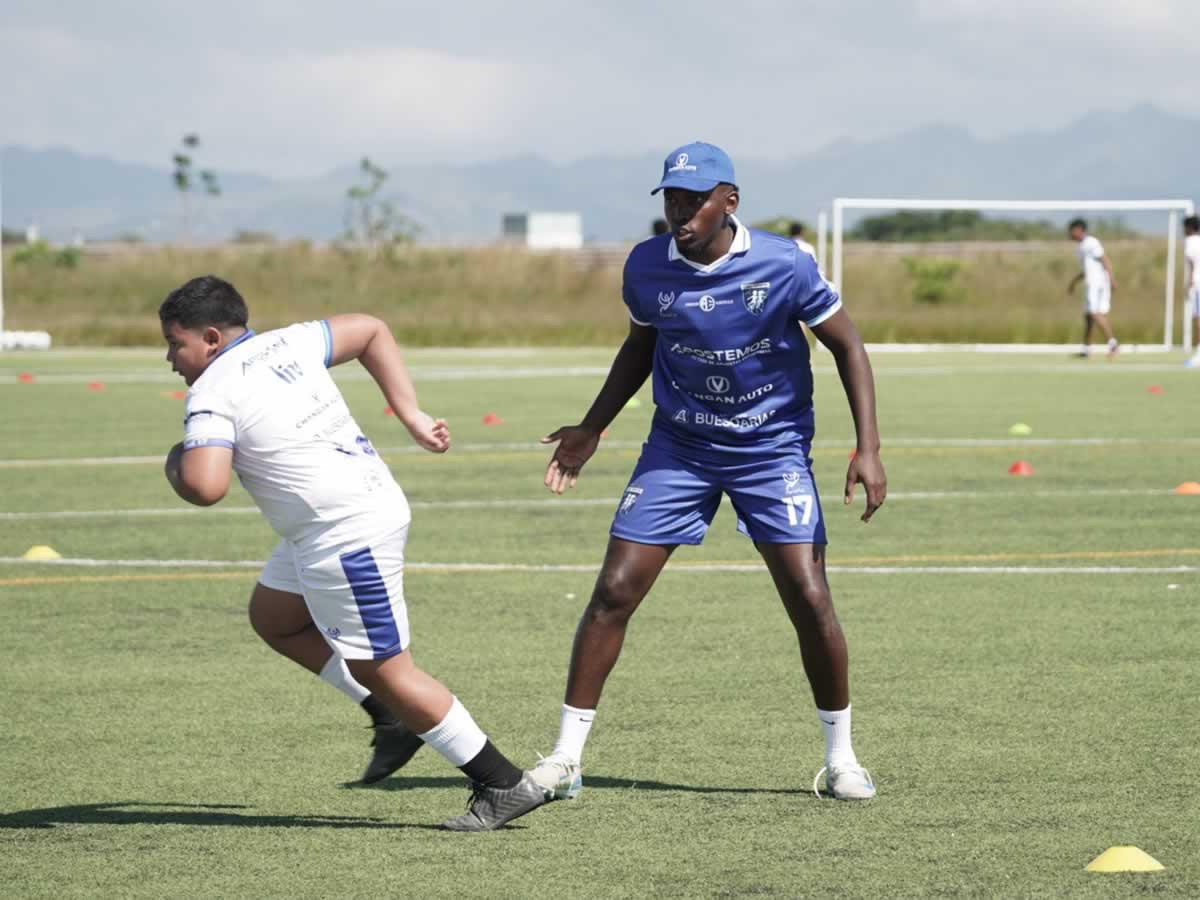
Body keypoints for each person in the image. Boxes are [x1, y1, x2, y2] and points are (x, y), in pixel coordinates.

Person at [533, 142, 887, 802]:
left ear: (729, 202)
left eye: (694, 201)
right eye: (671, 199)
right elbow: (640, 347)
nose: (680, 213)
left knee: (809, 599)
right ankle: (564, 758)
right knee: (614, 589)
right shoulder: (644, 266)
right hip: (680, 450)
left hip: (771, 450)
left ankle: (842, 760)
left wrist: (867, 447)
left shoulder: (785, 262)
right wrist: (592, 426)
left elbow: (848, 344)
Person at [159, 276, 551, 831]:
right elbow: (370, 330)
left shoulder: (211, 392)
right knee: (275, 618)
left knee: (387, 669)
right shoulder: (286, 341)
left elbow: (205, 486)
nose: (171, 359)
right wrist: (411, 414)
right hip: (339, 518)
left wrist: (176, 461)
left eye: (176, 344)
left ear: (213, 338)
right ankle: (386, 713)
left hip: (344, 534)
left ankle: (502, 783)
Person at [1066, 218, 1118, 358]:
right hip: (1093, 283)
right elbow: (1087, 269)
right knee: (1089, 316)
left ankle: (1113, 344)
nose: (1070, 234)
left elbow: (1105, 259)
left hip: (1098, 284)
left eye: (1072, 230)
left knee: (1094, 313)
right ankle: (1087, 349)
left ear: (1079, 230)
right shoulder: (1081, 246)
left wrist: (1112, 279)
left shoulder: (1091, 243)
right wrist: (1074, 282)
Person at [1183, 215, 1200, 369]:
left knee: (1198, 318)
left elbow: (1192, 265)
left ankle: (1199, 354)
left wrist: (1188, 285)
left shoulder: (1190, 242)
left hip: (1198, 285)